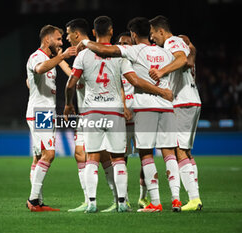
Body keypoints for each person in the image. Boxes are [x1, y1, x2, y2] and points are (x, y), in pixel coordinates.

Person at [66, 16, 173, 213]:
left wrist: (67, 105)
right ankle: (122, 202)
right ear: (112, 31)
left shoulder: (83, 56)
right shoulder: (120, 57)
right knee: (118, 158)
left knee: (92, 157)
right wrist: (161, 92)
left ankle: (91, 202)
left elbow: (70, 84)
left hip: (92, 112)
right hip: (114, 111)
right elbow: (136, 82)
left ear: (94, 33)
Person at [149, 15, 203, 211]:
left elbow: (181, 59)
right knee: (186, 151)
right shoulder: (180, 41)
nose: (152, 38)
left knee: (179, 150)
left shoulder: (172, 41)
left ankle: (194, 199)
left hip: (183, 101)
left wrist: (162, 71)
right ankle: (195, 198)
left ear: (161, 31)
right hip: (191, 99)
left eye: (153, 33)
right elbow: (188, 59)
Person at [26, 24, 76, 212]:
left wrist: (60, 59)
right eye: (58, 39)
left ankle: (38, 200)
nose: (61, 42)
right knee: (49, 154)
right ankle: (33, 200)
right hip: (40, 113)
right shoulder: (37, 56)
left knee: (38, 157)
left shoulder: (49, 59)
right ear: (47, 40)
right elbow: (39, 70)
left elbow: (31, 79)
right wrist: (62, 56)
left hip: (45, 113)